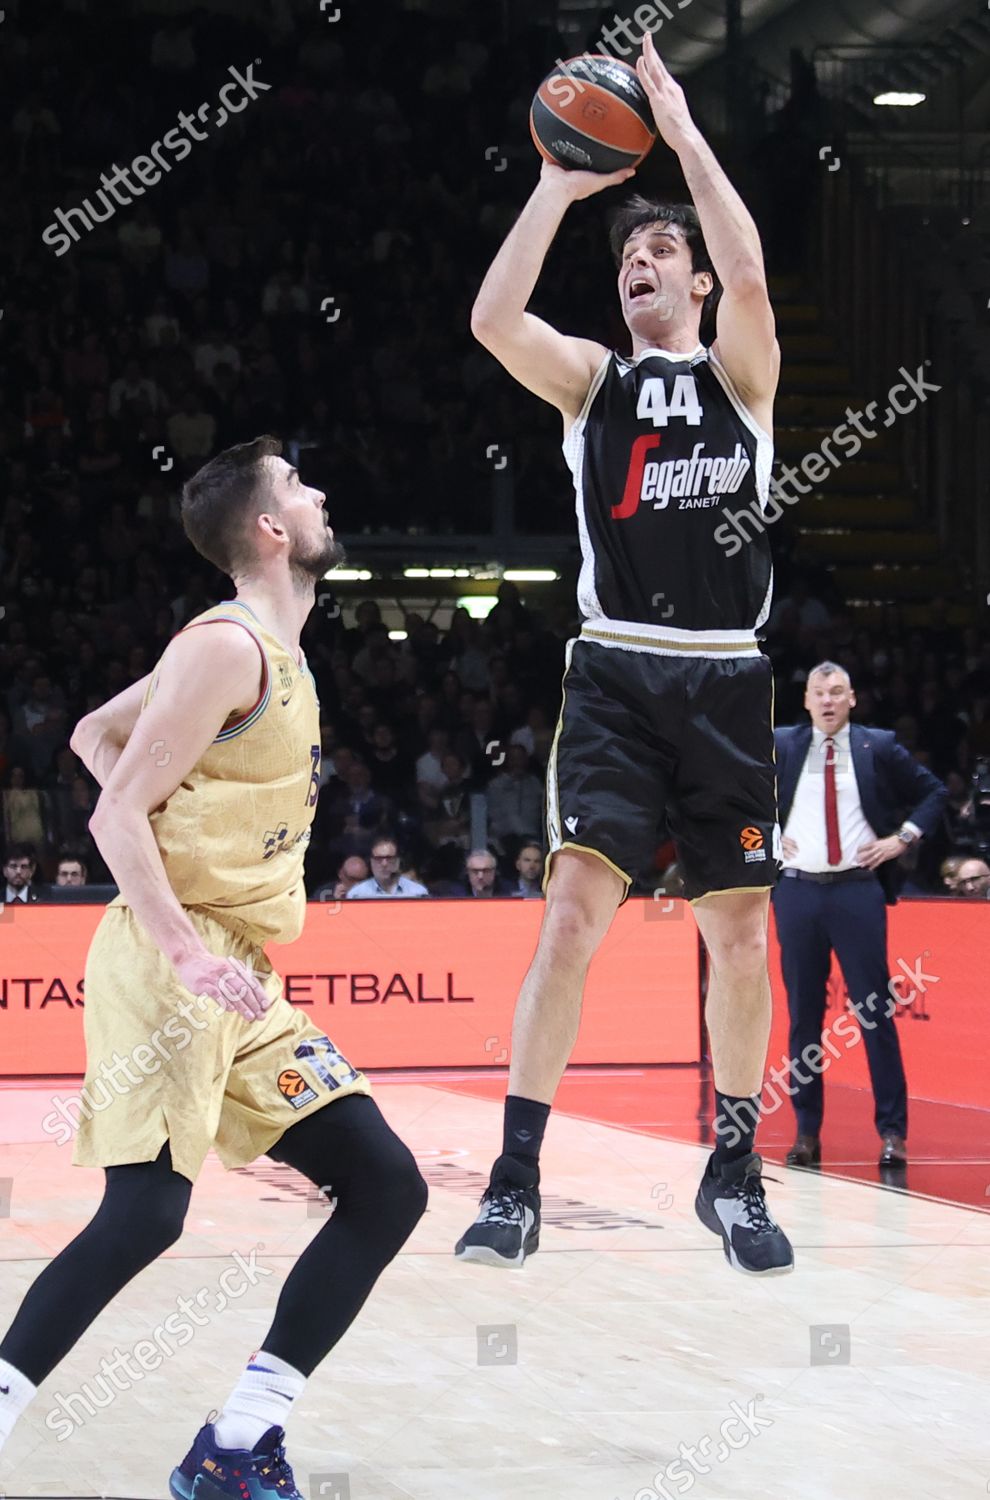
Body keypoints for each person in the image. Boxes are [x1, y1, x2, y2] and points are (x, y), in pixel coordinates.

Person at [0, 437, 427, 1496]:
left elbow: (98, 736)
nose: (322, 494)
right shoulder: (225, 647)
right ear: (273, 530)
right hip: (171, 963)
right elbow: (110, 807)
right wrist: (182, 941)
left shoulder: (269, 653)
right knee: (145, 1214)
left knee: (385, 1185)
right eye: (300, 487)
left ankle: (236, 1443)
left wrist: (174, 824)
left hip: (239, 976)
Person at [455, 34, 793, 1276]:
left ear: (697, 287)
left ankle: (737, 1169)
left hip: (726, 677)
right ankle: (516, 1176)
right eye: (631, 258)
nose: (642, 266)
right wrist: (560, 179)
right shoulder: (593, 386)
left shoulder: (742, 379)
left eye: (663, 254)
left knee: (744, 933)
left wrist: (683, 131)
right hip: (615, 672)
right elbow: (492, 318)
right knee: (571, 917)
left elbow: (751, 271)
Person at [773, 662, 947, 1170]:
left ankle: (893, 1132)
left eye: (837, 692)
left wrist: (903, 838)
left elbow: (933, 792)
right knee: (804, 1017)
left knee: (874, 1013)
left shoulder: (878, 745)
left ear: (853, 699)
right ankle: (807, 1132)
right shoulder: (782, 745)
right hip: (798, 892)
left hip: (856, 892)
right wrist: (763, 833)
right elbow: (736, 796)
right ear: (805, 701)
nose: (828, 701)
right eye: (819, 693)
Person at [347, 836, 428, 898]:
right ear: (371, 862)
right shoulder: (356, 895)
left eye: (389, 858)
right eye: (378, 859)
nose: (384, 864)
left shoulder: (418, 893)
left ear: (397, 861)